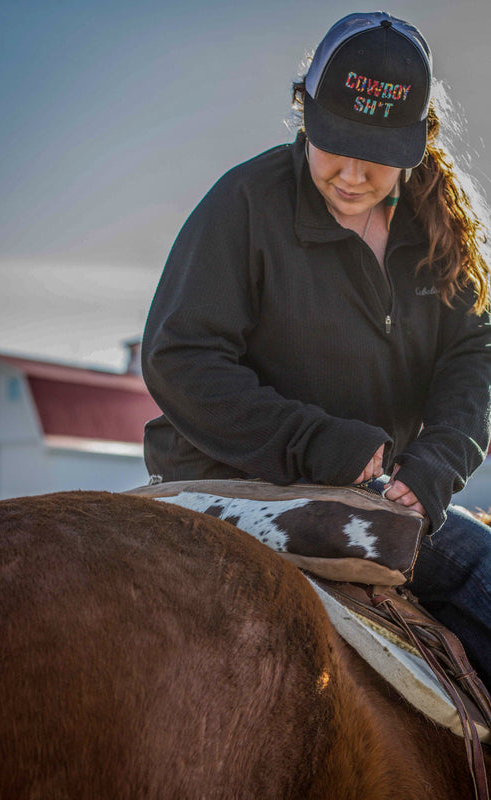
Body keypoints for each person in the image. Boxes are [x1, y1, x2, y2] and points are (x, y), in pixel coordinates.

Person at [141, 12, 491, 686]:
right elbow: (179, 357)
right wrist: (320, 444)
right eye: (333, 143)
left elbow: (472, 354)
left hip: (385, 498)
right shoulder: (244, 202)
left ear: (419, 143)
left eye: (377, 153)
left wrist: (433, 469)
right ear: (304, 113)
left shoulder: (438, 225)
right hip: (240, 485)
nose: (352, 174)